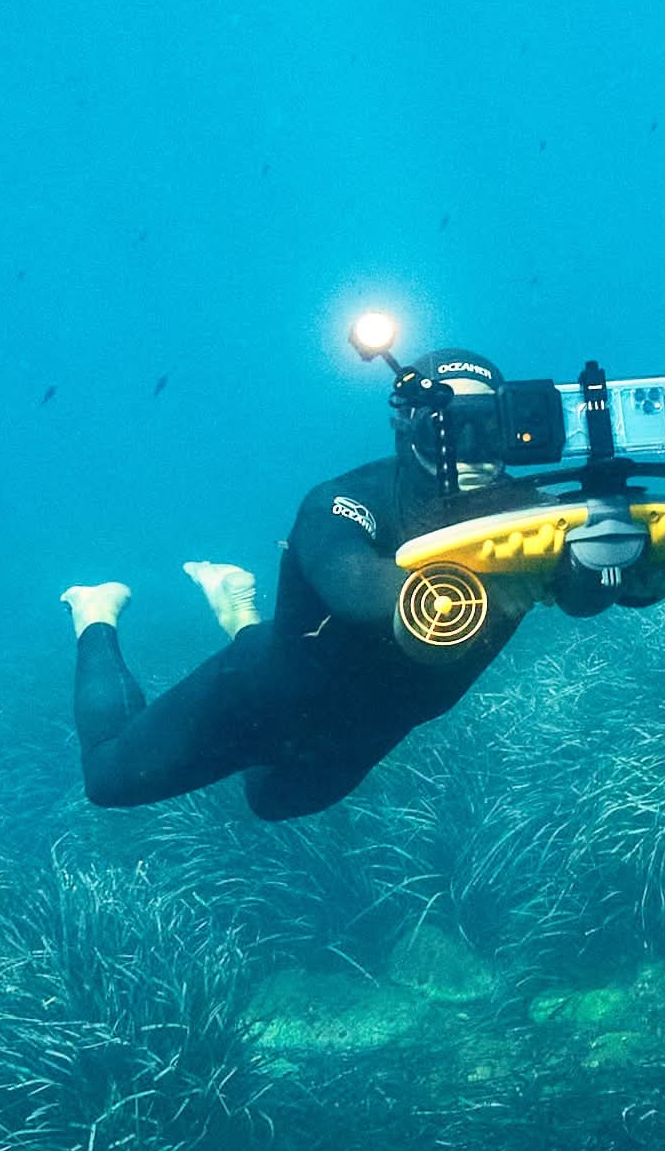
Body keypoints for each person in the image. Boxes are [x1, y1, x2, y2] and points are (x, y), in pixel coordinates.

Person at [67, 350, 546, 822]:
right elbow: (352, 583)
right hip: (270, 700)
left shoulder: (538, 520)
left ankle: (239, 615)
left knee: (273, 802)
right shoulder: (344, 502)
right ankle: (95, 611)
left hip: (373, 725)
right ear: (406, 427)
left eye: (487, 428)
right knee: (107, 779)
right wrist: (477, 581)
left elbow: (600, 589)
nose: (470, 451)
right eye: (446, 428)